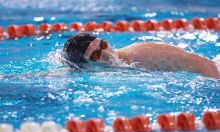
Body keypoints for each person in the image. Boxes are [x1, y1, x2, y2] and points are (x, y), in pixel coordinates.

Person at [63, 33, 220, 78]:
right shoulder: (113, 72)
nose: (107, 53)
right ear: (86, 66)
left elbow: (206, 64)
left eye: (103, 45)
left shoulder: (144, 54)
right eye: (96, 55)